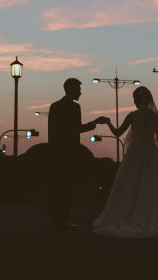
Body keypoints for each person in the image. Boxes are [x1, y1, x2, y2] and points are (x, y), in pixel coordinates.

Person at [92, 86, 158, 238]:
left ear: (137, 99)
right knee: (153, 184)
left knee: (130, 184)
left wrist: (107, 122)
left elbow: (118, 133)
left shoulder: (133, 116)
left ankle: (132, 214)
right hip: (151, 152)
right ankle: (154, 215)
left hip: (135, 153)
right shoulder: (155, 117)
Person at [46, 78, 110, 230]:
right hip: (69, 152)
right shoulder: (75, 107)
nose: (80, 92)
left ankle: (55, 218)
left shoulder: (54, 106)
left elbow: (52, 131)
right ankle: (63, 219)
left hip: (56, 152)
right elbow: (77, 129)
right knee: (67, 186)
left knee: (56, 185)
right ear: (70, 90)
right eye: (78, 89)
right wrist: (95, 122)